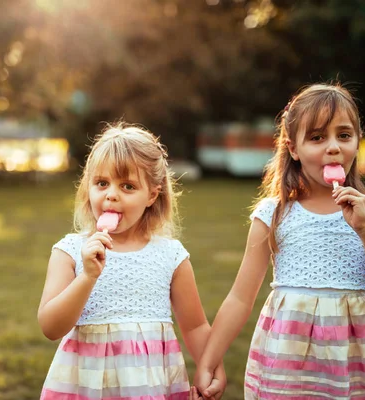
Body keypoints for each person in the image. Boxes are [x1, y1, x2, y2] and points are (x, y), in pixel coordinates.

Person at [192, 83, 365, 399]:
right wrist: (207, 362)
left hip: (359, 362)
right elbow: (240, 298)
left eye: (344, 135)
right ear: (293, 148)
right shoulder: (273, 214)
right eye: (317, 137)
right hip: (288, 363)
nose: (333, 147)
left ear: (357, 142)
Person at [38, 122, 226, 399]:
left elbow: (195, 326)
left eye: (127, 186)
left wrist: (211, 367)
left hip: (149, 387)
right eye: (102, 183)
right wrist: (87, 276)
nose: (111, 194)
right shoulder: (70, 251)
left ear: (152, 195)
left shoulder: (171, 256)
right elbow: (50, 327)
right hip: (85, 387)